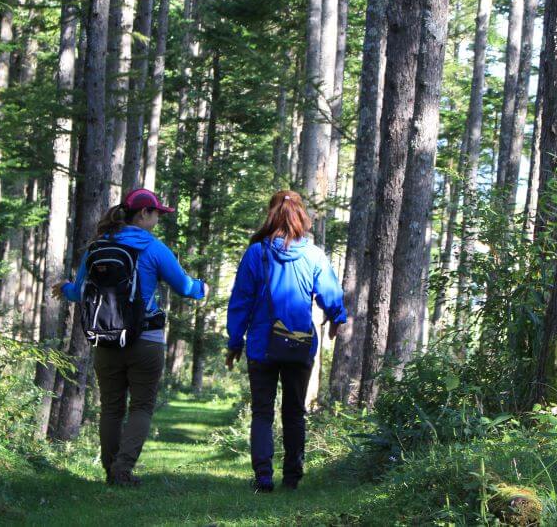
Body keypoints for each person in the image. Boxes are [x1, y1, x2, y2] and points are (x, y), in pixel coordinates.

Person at [53, 188, 206, 487]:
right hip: (145, 339)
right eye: (157, 213)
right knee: (141, 406)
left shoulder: (98, 247)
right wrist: (203, 288)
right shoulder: (154, 248)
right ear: (143, 214)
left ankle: (112, 471)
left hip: (106, 339)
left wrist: (66, 287)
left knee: (111, 407)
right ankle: (123, 468)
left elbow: (79, 291)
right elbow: (186, 287)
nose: (159, 218)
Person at [225, 190, 347, 493]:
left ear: (271, 216)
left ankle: (263, 478)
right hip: (299, 344)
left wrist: (235, 341)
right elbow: (330, 295)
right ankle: (292, 477)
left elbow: (241, 300)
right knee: (294, 412)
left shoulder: (256, 253)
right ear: (301, 217)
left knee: (262, 412)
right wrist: (337, 318)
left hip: (261, 345)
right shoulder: (314, 255)